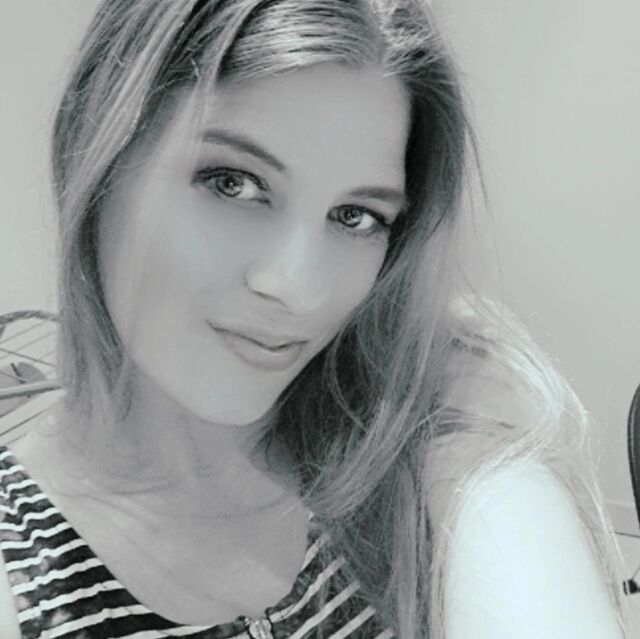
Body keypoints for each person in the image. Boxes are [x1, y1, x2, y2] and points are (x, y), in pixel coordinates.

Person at [0, 1, 632, 637]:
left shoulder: (408, 431)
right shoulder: (21, 559)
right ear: (97, 152)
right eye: (233, 182)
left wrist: (474, 447)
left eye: (357, 216)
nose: (298, 288)